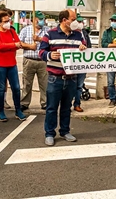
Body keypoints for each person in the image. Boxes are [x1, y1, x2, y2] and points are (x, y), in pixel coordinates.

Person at [39, 9, 87, 146]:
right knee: (52, 107)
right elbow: (41, 51)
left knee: (67, 107)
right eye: (73, 19)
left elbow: (85, 48)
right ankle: (49, 133)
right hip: (55, 78)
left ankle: (65, 131)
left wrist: (84, 47)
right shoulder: (50, 34)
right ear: (64, 20)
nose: (75, 22)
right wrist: (49, 55)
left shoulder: (78, 35)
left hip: (71, 78)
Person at [0, 10, 27, 122]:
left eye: (9, 20)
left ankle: (18, 110)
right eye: (5, 21)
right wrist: (12, 45)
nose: (8, 23)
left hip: (11, 64)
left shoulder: (11, 31)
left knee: (16, 87)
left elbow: (18, 44)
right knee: (1, 88)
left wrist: (11, 46)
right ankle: (1, 111)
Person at [19, 11, 49, 111]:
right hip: (29, 60)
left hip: (43, 61)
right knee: (27, 83)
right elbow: (19, 43)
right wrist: (29, 46)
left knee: (44, 84)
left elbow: (51, 43)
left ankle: (45, 102)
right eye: (39, 19)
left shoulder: (48, 31)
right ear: (33, 20)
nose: (41, 21)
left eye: (42, 19)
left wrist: (40, 39)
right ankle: (24, 103)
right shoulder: (25, 30)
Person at [101, 13, 116, 107]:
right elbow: (104, 44)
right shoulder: (107, 32)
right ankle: (112, 99)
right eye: (112, 21)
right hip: (111, 59)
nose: (113, 22)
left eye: (115, 21)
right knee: (110, 81)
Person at [73, 13, 92, 112]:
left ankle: (77, 104)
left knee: (79, 86)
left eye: (81, 21)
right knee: (70, 86)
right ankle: (67, 105)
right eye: (78, 21)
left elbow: (89, 46)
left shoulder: (84, 33)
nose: (81, 23)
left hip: (82, 64)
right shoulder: (70, 33)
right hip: (72, 64)